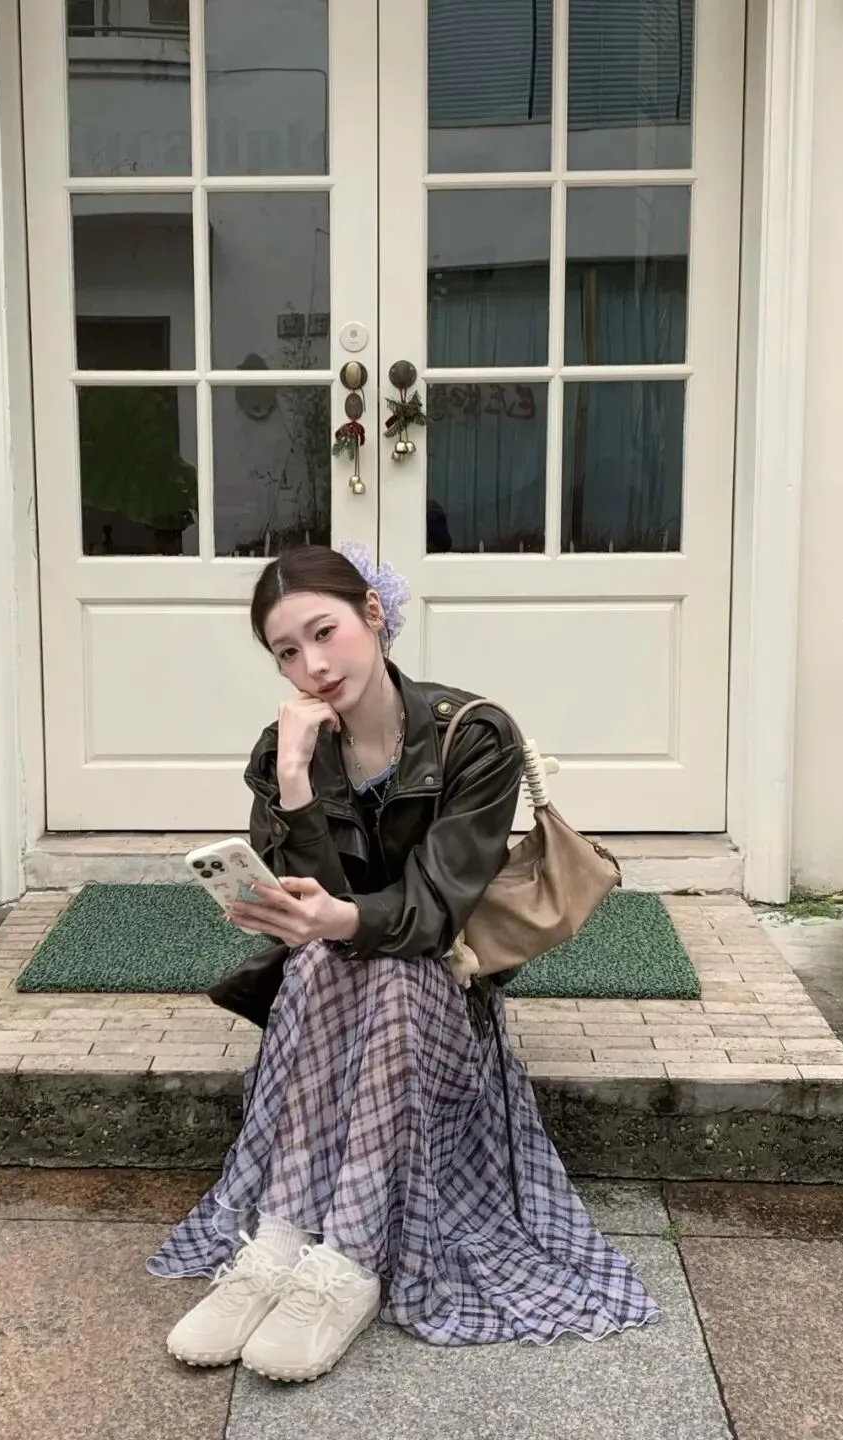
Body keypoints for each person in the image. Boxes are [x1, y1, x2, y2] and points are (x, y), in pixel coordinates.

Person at [148, 543, 660, 1383]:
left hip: (440, 997)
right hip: (330, 999)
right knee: (323, 964)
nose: (313, 666)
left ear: (373, 614)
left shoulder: (474, 735)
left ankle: (346, 1263)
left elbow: (432, 915)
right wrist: (294, 782)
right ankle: (277, 1246)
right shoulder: (283, 750)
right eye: (287, 651)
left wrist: (335, 919)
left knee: (382, 967)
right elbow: (315, 910)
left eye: (326, 633)